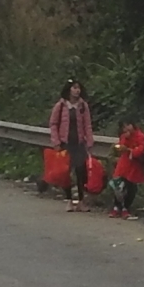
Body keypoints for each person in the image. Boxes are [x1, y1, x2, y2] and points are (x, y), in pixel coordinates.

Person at [49, 80, 94, 212]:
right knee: (65, 173)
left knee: (81, 172)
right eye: (74, 88)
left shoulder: (82, 106)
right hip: (65, 143)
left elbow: (87, 124)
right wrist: (56, 142)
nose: (77, 90)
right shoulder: (61, 105)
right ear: (69, 90)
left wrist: (89, 141)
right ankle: (69, 200)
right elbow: (53, 124)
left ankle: (81, 201)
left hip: (79, 143)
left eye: (78, 88)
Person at [110, 119, 144, 218]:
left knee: (131, 186)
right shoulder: (124, 136)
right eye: (124, 127)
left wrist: (129, 150)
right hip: (124, 163)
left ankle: (125, 208)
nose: (126, 128)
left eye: (128, 125)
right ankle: (116, 206)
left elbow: (140, 149)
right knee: (118, 185)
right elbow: (120, 147)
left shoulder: (140, 136)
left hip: (133, 165)